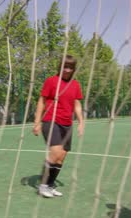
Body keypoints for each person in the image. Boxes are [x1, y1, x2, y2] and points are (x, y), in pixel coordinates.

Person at [32, 55, 84, 198]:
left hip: (67, 124)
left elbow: (77, 104)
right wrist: (37, 122)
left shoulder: (75, 84)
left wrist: (81, 122)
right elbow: (41, 101)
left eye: (70, 67)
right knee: (55, 152)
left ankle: (50, 185)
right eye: (65, 66)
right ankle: (43, 185)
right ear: (60, 67)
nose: (67, 69)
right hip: (51, 120)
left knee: (61, 157)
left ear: (73, 69)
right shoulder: (51, 81)